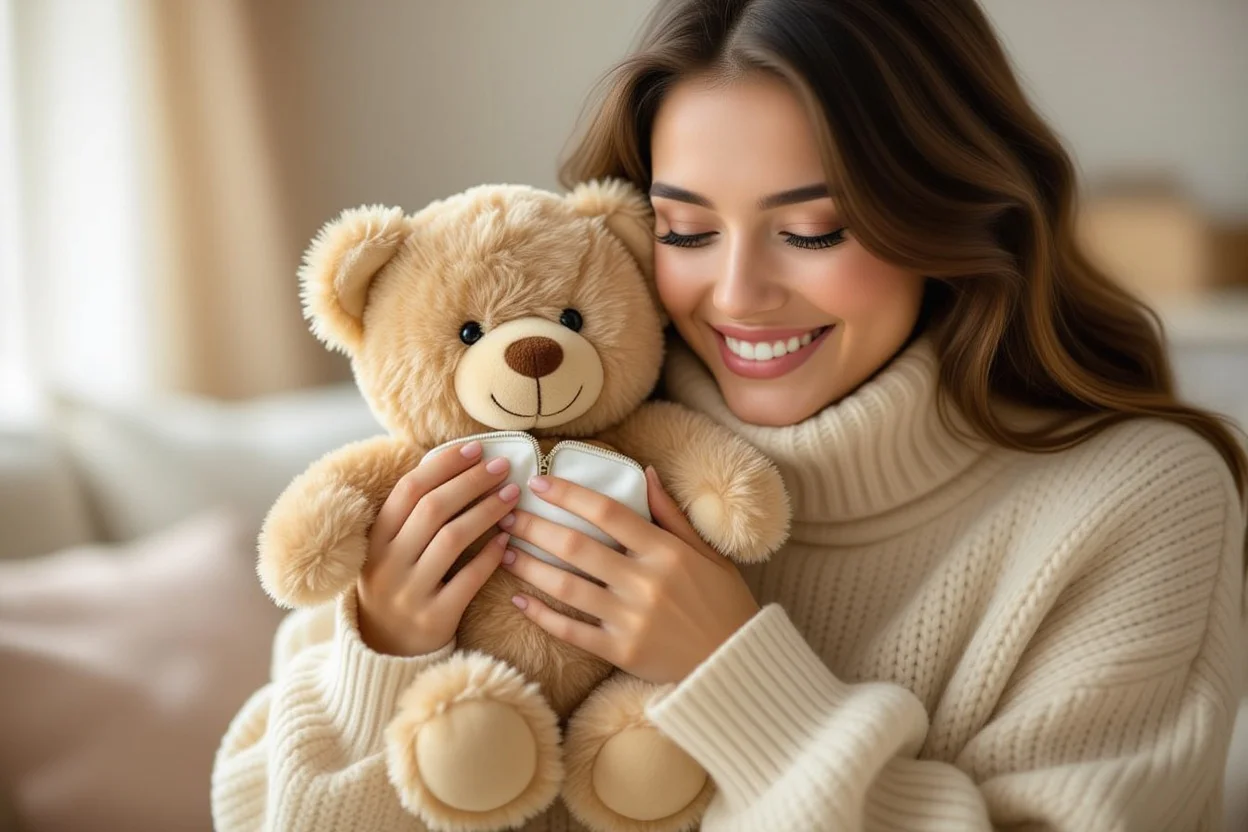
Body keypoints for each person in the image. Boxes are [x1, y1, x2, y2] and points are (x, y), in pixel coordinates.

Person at [212, 0, 1248, 829]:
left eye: (812, 229)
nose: (739, 295)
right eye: (686, 229)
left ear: (949, 211)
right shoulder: (552, 438)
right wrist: (383, 659)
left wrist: (736, 676)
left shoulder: (1138, 497)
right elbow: (264, 811)